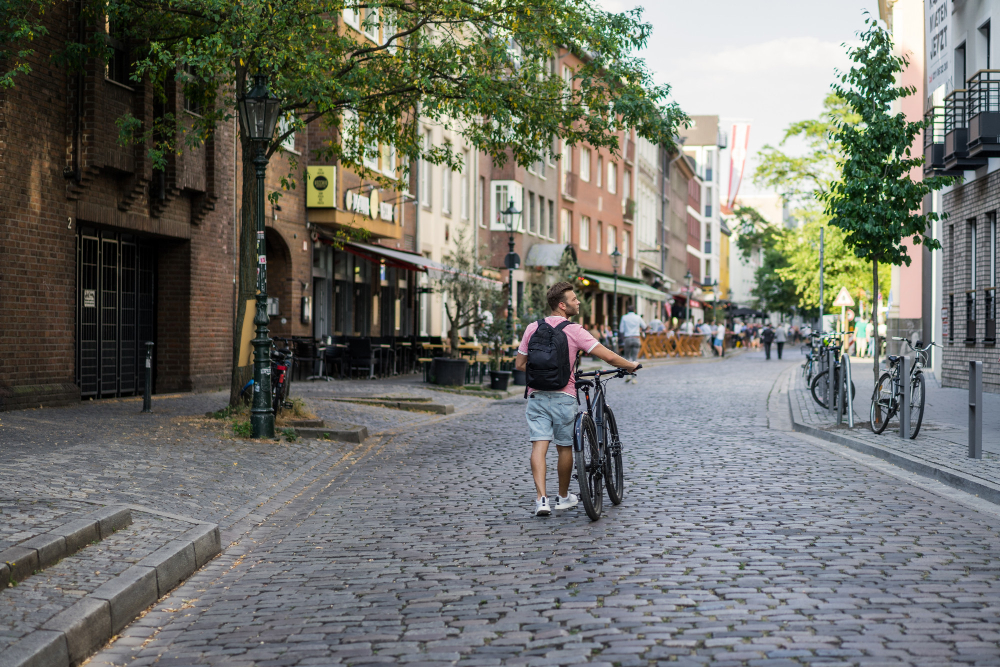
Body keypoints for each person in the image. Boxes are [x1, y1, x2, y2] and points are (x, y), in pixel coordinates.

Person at [516, 282, 640, 517]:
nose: (578, 302)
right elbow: (608, 357)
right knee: (565, 448)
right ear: (561, 305)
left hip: (536, 395)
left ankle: (541, 500)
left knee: (539, 446)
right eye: (574, 299)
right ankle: (563, 497)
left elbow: (520, 364)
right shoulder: (574, 330)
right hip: (564, 395)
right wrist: (630, 365)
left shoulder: (532, 328)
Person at [619, 305, 647, 381]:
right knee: (634, 359)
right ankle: (633, 378)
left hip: (627, 338)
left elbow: (621, 330)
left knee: (627, 358)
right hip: (636, 338)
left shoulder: (624, 317)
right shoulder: (638, 317)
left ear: (627, 310)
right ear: (634, 310)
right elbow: (644, 326)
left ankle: (628, 375)